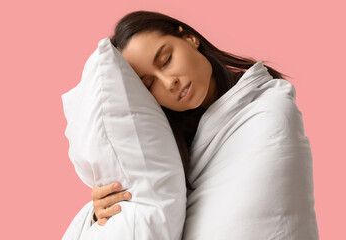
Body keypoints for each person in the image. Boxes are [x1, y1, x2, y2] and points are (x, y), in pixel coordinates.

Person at [90, 10, 290, 226]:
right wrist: (101, 212)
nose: (169, 82)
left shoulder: (266, 103)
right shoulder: (163, 148)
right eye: (149, 84)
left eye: (166, 60)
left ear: (190, 38)